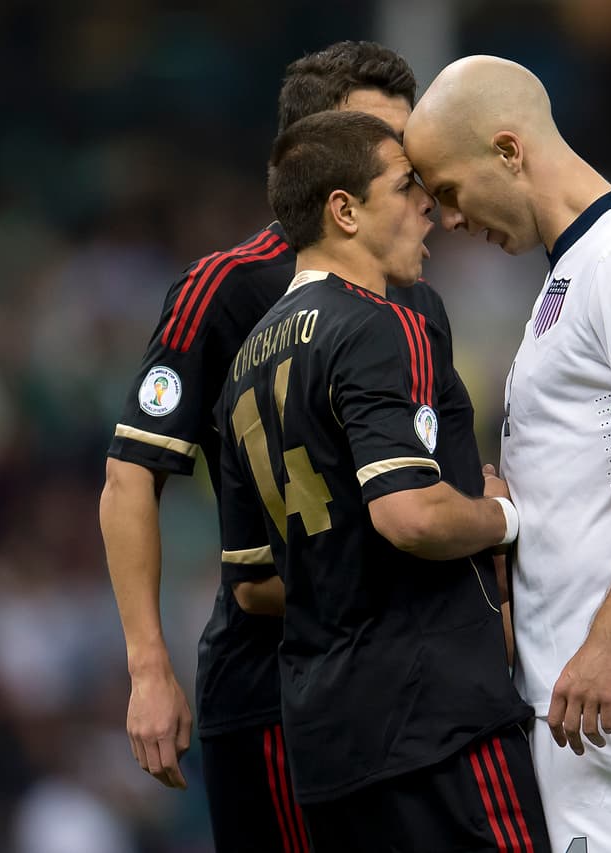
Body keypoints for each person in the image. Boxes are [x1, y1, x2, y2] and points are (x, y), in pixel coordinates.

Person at [99, 41, 454, 852]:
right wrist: (149, 667)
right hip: (272, 690)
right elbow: (130, 477)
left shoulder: (419, 300)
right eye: (379, 137)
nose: (404, 165)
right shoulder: (224, 287)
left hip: (396, 689)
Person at [405, 56, 611, 852]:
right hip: (578, 699)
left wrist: (610, 640)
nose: (447, 219)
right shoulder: (570, 276)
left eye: (448, 189)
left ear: (508, 151)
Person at [214, 108, 549, 852]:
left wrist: (350, 567)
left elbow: (253, 581)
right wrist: (506, 517)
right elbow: (411, 516)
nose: (428, 202)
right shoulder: (376, 324)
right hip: (436, 717)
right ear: (344, 210)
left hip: (327, 742)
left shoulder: (243, 367)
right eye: (404, 187)